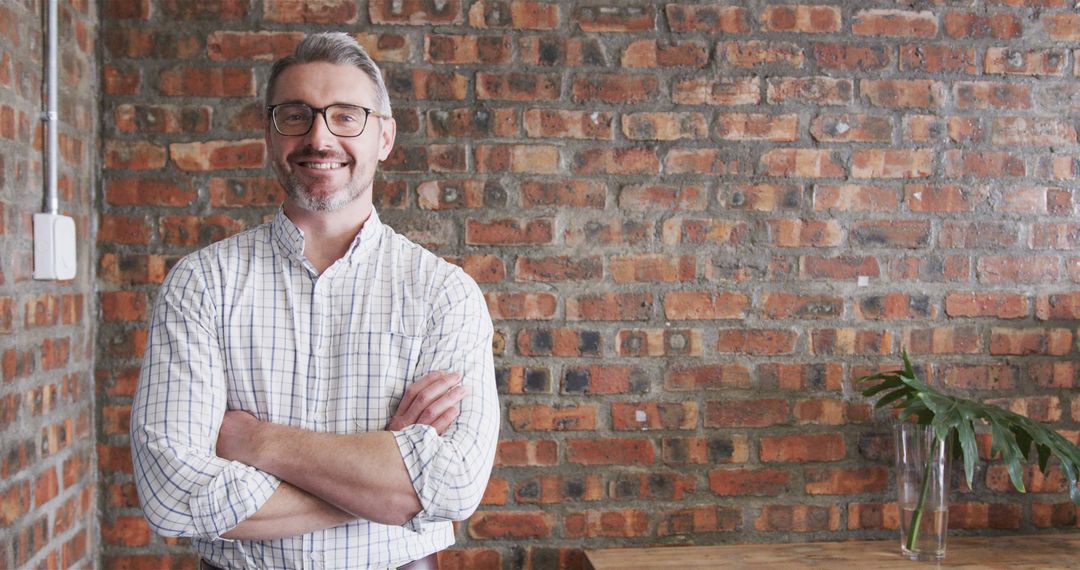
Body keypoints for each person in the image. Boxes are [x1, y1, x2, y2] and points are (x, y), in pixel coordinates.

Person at [130, 32, 500, 570]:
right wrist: (380, 479)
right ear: (269, 133)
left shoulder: (444, 294)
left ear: (385, 137)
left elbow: (454, 488)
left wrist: (256, 441)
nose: (320, 137)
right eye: (296, 115)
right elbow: (171, 496)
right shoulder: (202, 284)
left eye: (346, 116)